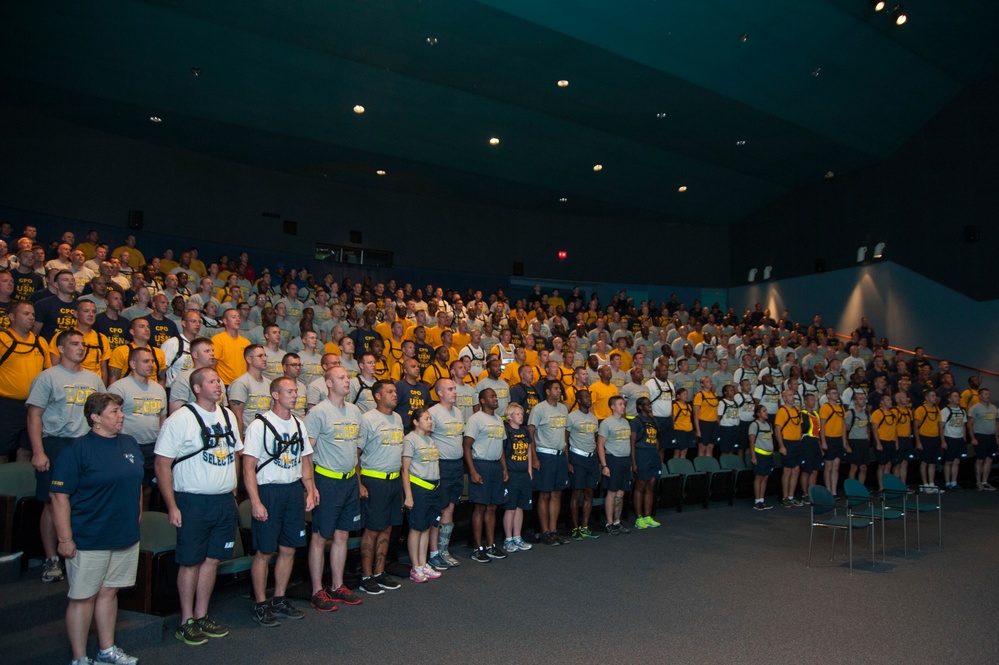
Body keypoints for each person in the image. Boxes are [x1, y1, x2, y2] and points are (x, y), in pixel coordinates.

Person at [50, 393, 143, 665]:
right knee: (83, 598)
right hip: (90, 537)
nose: (121, 415)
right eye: (114, 411)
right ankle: (79, 658)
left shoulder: (130, 443)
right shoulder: (77, 450)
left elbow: (137, 483)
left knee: (109, 592)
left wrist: (136, 516)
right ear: (95, 418)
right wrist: (65, 538)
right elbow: (59, 497)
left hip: (124, 536)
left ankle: (107, 650)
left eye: (121, 411)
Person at [154, 368, 242, 646]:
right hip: (192, 500)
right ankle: (186, 620)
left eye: (220, 381)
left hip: (223, 500)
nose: (219, 385)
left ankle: (203, 615)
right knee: (191, 561)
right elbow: (162, 464)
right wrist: (171, 505)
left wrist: (234, 487)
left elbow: (235, 453)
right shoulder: (180, 419)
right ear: (196, 388)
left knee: (213, 559)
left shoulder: (228, 415)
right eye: (212, 381)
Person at [28, 328, 107, 583]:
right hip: (57, 444)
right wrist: (38, 452)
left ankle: (79, 556)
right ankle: (51, 558)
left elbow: (104, 415)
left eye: (83, 344)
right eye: (74, 343)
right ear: (60, 349)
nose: (80, 347)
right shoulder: (47, 377)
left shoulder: (94, 379)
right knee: (52, 503)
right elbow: (34, 416)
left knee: (85, 500)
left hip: (87, 444)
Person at [242, 377, 318, 626]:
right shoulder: (259, 425)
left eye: (296, 391)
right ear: (275, 395)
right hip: (269, 491)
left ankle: (280, 598)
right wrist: (255, 501)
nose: (295, 395)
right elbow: (248, 467)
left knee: (289, 548)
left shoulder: (298, 423)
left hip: (292, 490)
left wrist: (310, 488)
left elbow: (306, 458)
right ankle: (261, 604)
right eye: (289, 391)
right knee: (265, 550)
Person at [303, 366, 364, 612]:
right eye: (341, 377)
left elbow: (355, 452)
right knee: (320, 537)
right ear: (328, 383)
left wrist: (357, 482)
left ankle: (337, 586)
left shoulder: (355, 411)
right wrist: (311, 487)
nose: (347, 380)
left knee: (342, 535)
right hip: (326, 481)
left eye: (348, 377)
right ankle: (318, 589)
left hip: (349, 481)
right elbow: (307, 453)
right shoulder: (318, 413)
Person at [357, 380, 406, 594]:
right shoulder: (367, 419)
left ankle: (379, 572)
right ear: (377, 396)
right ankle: (366, 576)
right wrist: (359, 483)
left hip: (393, 479)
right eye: (390, 391)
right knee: (373, 529)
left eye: (395, 391)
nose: (395, 394)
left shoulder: (397, 418)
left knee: (388, 527)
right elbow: (355, 454)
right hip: (374, 480)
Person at [108, 347, 166, 510]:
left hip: (151, 446)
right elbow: (110, 417)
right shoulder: (119, 387)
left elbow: (162, 418)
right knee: (128, 489)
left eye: (152, 361)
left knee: (147, 489)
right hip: (127, 446)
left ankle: (143, 526)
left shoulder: (158, 389)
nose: (151, 365)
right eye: (146, 361)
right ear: (133, 364)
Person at [0, 301, 49, 464]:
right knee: (2, 451)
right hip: (6, 405)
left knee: (27, 450)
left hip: (33, 406)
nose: (31, 317)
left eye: (33, 314)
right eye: (26, 314)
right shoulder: (2, 339)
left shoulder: (40, 342)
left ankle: (19, 488)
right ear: (12, 317)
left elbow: (48, 373)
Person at [463, 388, 509, 563]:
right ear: (482, 400)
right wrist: (472, 471)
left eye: (496, 396)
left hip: (496, 465)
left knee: (492, 507)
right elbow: (466, 446)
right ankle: (477, 547)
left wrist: (504, 469)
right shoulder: (475, 419)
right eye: (491, 396)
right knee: (480, 507)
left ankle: (490, 545)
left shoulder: (498, 419)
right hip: (481, 464)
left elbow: (501, 447)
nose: (495, 399)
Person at [400, 407, 443, 583]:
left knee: (426, 526)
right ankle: (415, 566)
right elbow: (405, 469)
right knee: (416, 528)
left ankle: (423, 563)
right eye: (426, 419)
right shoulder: (410, 440)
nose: (430, 421)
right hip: (419, 488)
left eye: (430, 418)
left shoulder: (430, 440)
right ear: (416, 422)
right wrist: (408, 496)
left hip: (434, 487)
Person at [427, 379, 465, 570]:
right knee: (438, 509)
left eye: (455, 388)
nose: (454, 392)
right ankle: (433, 553)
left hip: (457, 464)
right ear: (440, 393)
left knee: (450, 507)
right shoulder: (433, 413)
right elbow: (425, 438)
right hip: (441, 465)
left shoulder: (458, 412)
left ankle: (443, 551)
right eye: (450, 389)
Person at [529, 379, 570, 545]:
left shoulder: (563, 409)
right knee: (544, 493)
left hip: (560, 455)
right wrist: (534, 457)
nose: (559, 391)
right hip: (545, 454)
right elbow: (530, 433)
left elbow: (565, 434)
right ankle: (544, 531)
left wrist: (566, 458)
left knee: (557, 493)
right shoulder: (539, 408)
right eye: (556, 388)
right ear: (547, 391)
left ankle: (553, 530)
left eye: (560, 388)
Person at [566, 389, 600, 540]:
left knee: (589, 492)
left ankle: (585, 526)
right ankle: (575, 528)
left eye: (589, 397)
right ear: (579, 400)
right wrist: (567, 461)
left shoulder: (594, 418)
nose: (588, 399)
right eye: (585, 397)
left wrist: (597, 460)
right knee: (576, 493)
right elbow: (565, 439)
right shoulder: (572, 417)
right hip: (577, 457)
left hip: (591, 458)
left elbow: (594, 438)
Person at [597, 395, 633, 534]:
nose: (623, 406)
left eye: (623, 404)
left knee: (621, 492)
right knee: (612, 492)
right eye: (620, 404)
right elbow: (600, 445)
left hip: (624, 460)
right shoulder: (607, 423)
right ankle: (609, 522)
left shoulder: (625, 422)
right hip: (613, 459)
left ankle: (617, 522)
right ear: (612, 407)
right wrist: (604, 465)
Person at [630, 397, 661, 529]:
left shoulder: (654, 420)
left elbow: (657, 439)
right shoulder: (636, 421)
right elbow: (631, 443)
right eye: (646, 404)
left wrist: (657, 454)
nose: (649, 406)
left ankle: (648, 516)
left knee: (651, 484)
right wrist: (633, 462)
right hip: (641, 454)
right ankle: (639, 517)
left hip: (653, 454)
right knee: (640, 485)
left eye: (650, 404)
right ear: (640, 407)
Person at [229, 345, 272, 435]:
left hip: (267, 435)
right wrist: (240, 445)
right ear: (249, 359)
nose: (264, 359)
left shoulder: (269, 383)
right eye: (260, 356)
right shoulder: (240, 383)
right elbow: (237, 417)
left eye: (265, 355)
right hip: (248, 436)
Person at [774, 390, 803, 508]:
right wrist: (781, 445)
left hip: (797, 443)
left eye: (793, 395)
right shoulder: (782, 411)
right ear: (784, 398)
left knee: (796, 470)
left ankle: (791, 496)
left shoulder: (797, 410)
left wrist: (800, 439)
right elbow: (777, 429)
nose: (792, 397)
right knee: (787, 471)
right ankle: (785, 497)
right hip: (787, 442)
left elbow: (799, 425)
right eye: (790, 396)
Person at [819, 387, 847, 496]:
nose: (836, 394)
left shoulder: (841, 408)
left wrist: (844, 441)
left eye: (837, 392)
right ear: (828, 396)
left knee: (836, 467)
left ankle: (834, 491)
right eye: (833, 393)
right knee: (828, 466)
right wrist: (823, 441)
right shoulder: (825, 408)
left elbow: (843, 425)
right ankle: (828, 490)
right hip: (829, 438)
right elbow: (822, 426)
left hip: (838, 439)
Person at [940, 389, 970, 492]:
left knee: (957, 461)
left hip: (959, 439)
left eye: (958, 396)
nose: (958, 398)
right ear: (949, 399)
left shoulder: (962, 410)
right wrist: (943, 441)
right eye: (955, 396)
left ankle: (954, 482)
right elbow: (941, 427)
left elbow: (964, 425)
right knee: (948, 461)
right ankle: (947, 482)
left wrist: (964, 437)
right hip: (949, 438)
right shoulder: (945, 411)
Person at [914, 390, 942, 493]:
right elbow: (916, 426)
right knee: (924, 462)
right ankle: (925, 484)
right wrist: (918, 441)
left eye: (935, 395)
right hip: (924, 438)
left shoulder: (936, 409)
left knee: (932, 462)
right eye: (932, 396)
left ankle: (931, 483)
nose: (935, 398)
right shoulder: (921, 409)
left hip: (934, 438)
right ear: (927, 398)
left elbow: (939, 425)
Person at [748, 405, 775, 511]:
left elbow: (771, 440)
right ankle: (757, 501)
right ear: (758, 413)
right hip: (760, 455)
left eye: (766, 410)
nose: (766, 412)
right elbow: (751, 441)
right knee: (759, 477)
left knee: (765, 477)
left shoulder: (768, 424)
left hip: (768, 455)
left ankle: (762, 500)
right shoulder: (754, 425)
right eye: (764, 411)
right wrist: (753, 456)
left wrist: (772, 453)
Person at [870, 394, 898, 491]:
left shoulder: (893, 413)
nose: (890, 402)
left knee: (889, 464)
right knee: (882, 465)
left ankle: (887, 485)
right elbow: (874, 429)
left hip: (891, 441)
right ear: (882, 403)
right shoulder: (877, 413)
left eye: (890, 400)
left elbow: (894, 429)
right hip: (882, 441)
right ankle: (881, 487)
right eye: (888, 400)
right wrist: (878, 443)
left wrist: (896, 442)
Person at [844, 393, 871, 486]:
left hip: (864, 441)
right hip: (854, 441)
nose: (863, 400)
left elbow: (868, 429)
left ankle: (861, 487)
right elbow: (844, 430)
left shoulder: (867, 413)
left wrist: (868, 441)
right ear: (855, 401)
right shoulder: (850, 413)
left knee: (864, 467)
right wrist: (846, 444)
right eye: (860, 399)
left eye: (864, 399)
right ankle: (852, 487)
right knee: (854, 466)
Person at [692, 375, 719, 457]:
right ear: (702, 384)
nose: (710, 383)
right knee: (702, 447)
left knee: (710, 446)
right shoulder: (699, 395)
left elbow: (716, 411)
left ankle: (709, 466)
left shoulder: (714, 395)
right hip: (704, 423)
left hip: (713, 423)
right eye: (707, 382)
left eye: (710, 381)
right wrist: (698, 430)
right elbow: (695, 414)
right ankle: (701, 465)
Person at [671, 388, 695, 459]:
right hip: (679, 430)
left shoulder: (689, 406)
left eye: (687, 394)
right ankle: (675, 468)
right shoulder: (676, 406)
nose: (686, 396)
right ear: (678, 396)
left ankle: (682, 467)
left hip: (689, 430)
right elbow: (673, 419)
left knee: (684, 451)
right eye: (684, 394)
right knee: (677, 451)